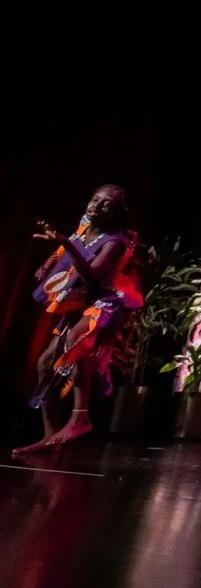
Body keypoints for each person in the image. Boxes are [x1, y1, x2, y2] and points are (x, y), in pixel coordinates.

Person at [15, 185, 143, 456]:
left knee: (76, 341)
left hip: (109, 301)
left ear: (118, 212)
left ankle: (81, 417)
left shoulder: (114, 241)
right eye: (95, 199)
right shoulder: (85, 226)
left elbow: (93, 276)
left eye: (107, 203)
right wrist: (48, 264)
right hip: (84, 301)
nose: (97, 205)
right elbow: (71, 243)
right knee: (46, 362)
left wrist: (65, 243)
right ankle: (49, 434)